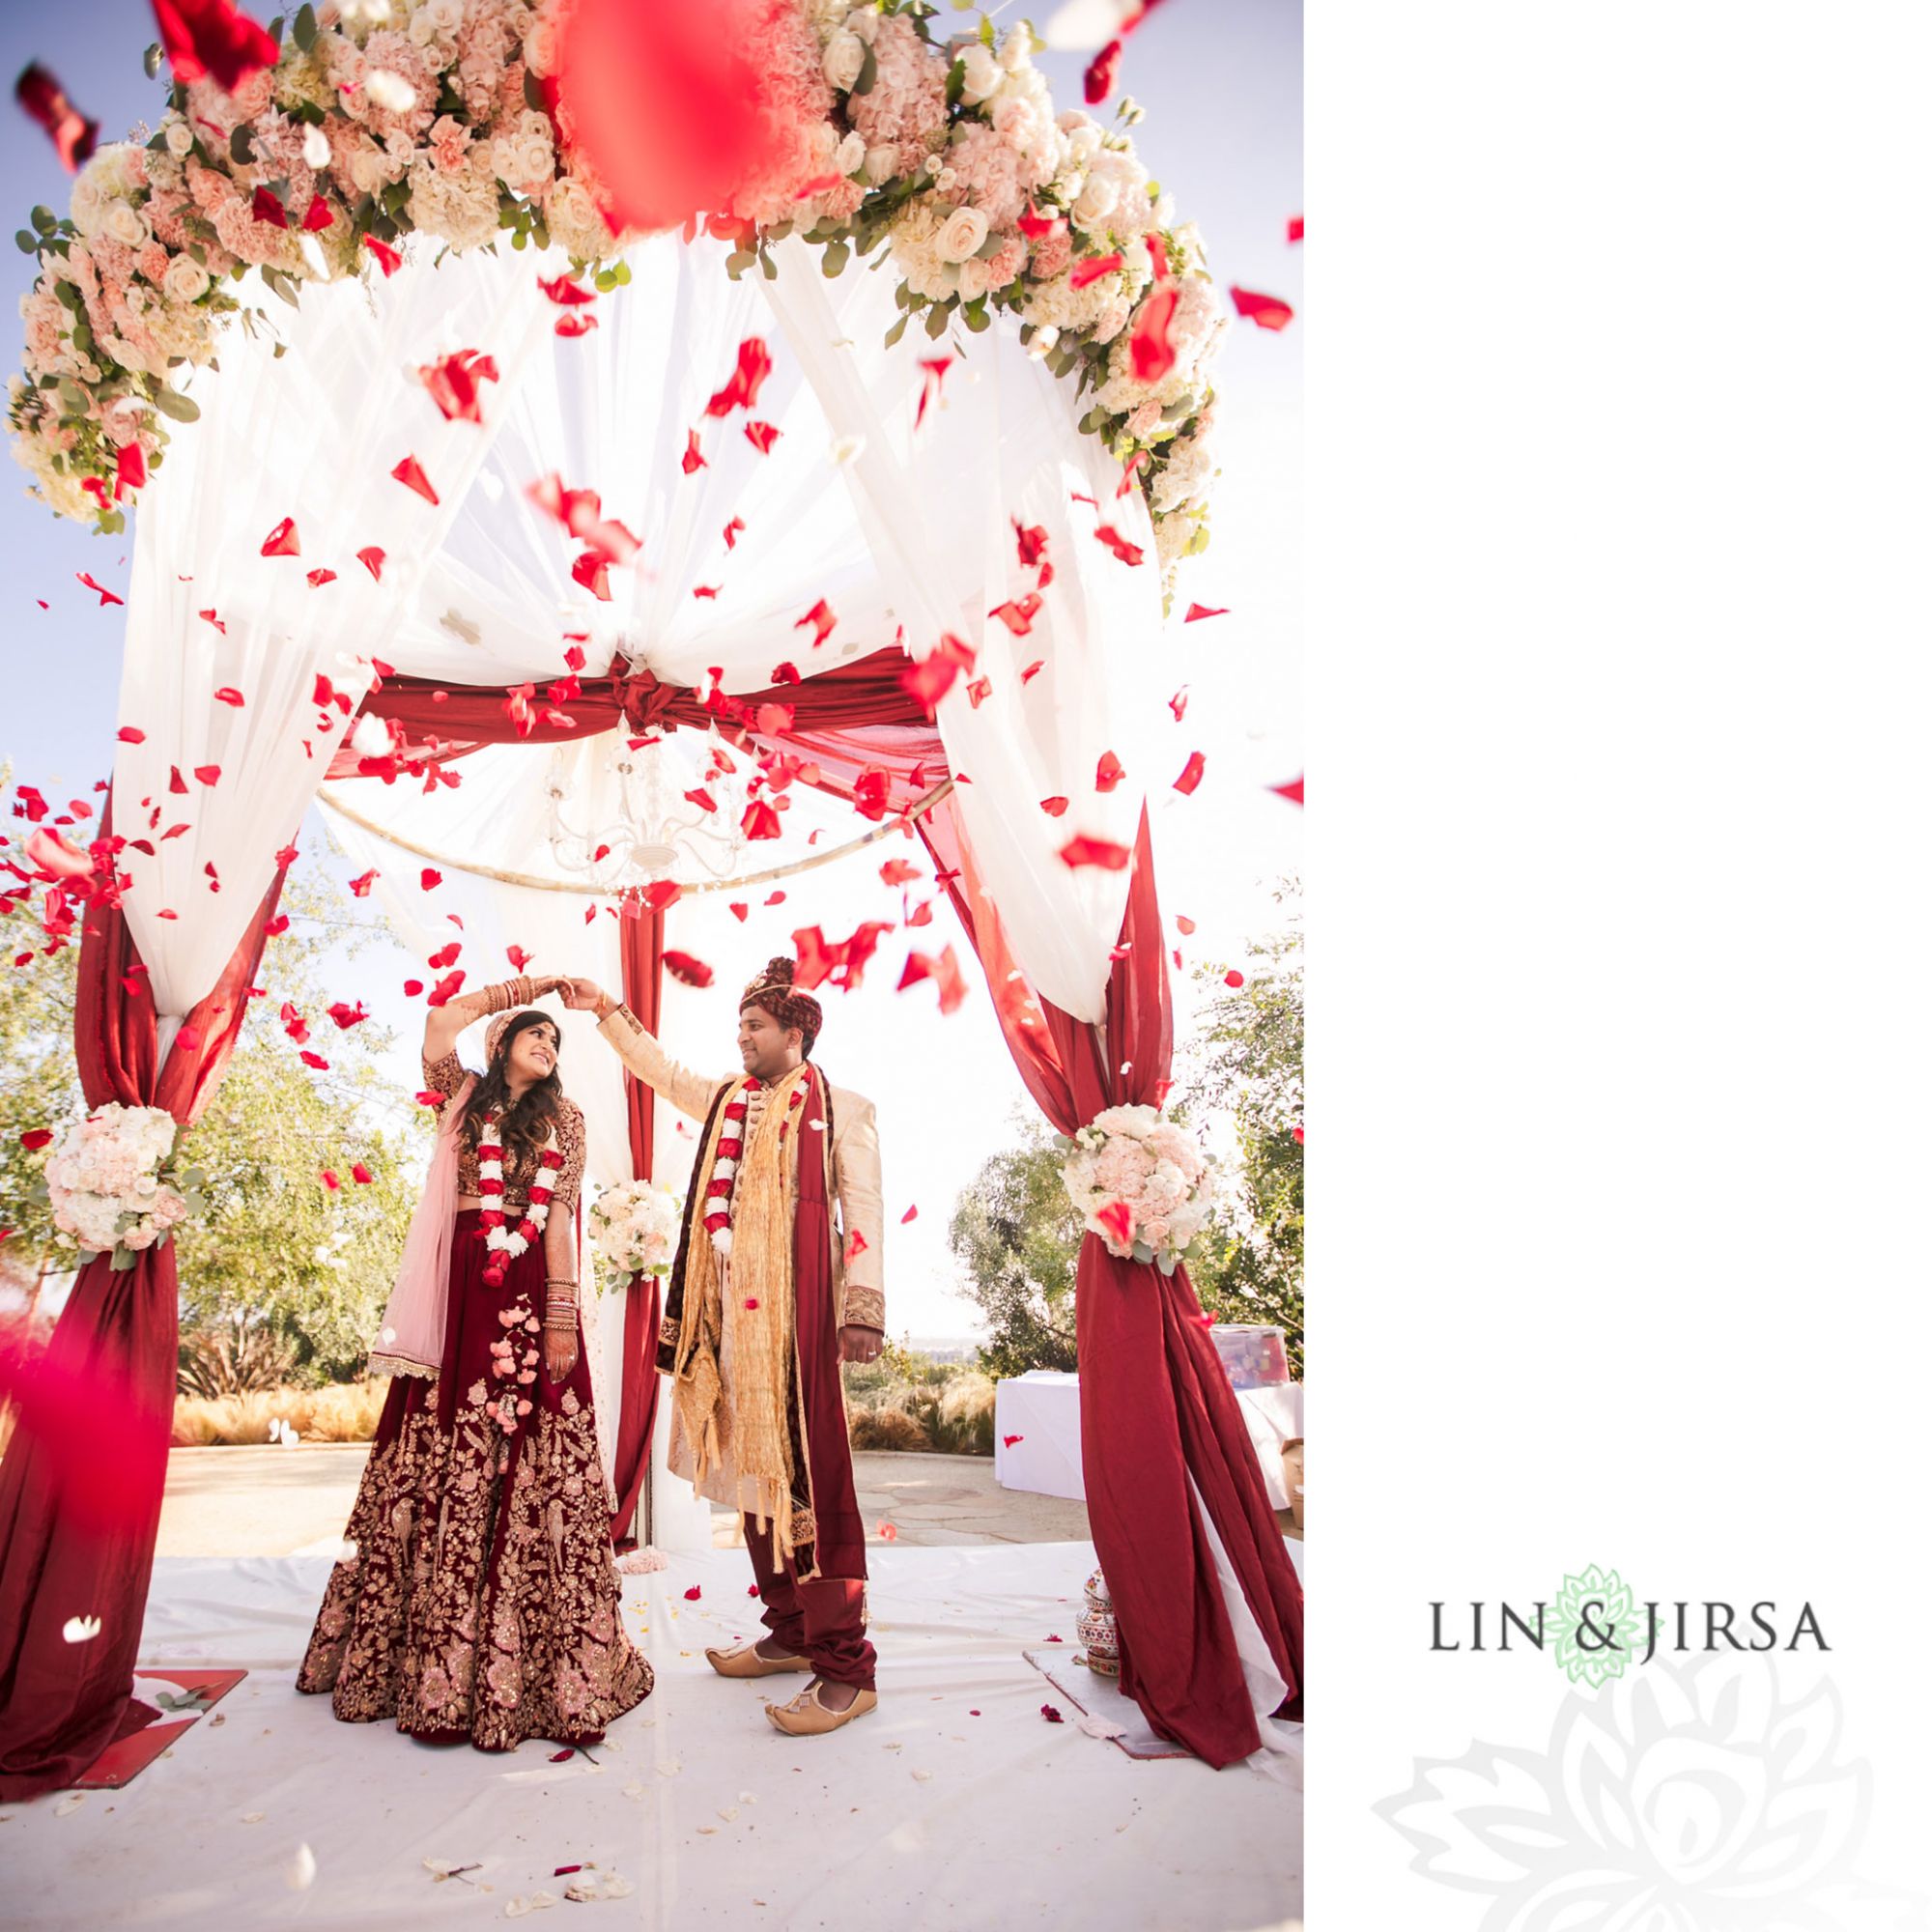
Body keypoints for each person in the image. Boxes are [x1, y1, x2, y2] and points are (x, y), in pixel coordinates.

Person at [297, 975, 653, 1750]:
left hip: (532, 1284)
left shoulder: (568, 1118)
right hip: (464, 1285)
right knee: (442, 1441)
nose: (547, 1041)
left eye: (554, 1037)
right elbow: (439, 1018)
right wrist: (525, 989)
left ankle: (535, 1661)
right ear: (499, 1046)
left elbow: (558, 1216)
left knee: (540, 1444)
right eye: (534, 1031)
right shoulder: (462, 1095)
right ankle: (427, 1662)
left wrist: (562, 1316)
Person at [561, 957, 886, 1736]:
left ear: (796, 1032)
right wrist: (607, 1009)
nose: (741, 1038)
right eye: (739, 1026)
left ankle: (847, 1669)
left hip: (800, 1326)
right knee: (752, 1475)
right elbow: (659, 1068)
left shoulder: (844, 1107)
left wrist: (864, 1307)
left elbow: (864, 1202)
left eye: (755, 1027)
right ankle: (790, 1634)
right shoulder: (725, 1103)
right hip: (728, 1328)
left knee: (811, 1479)